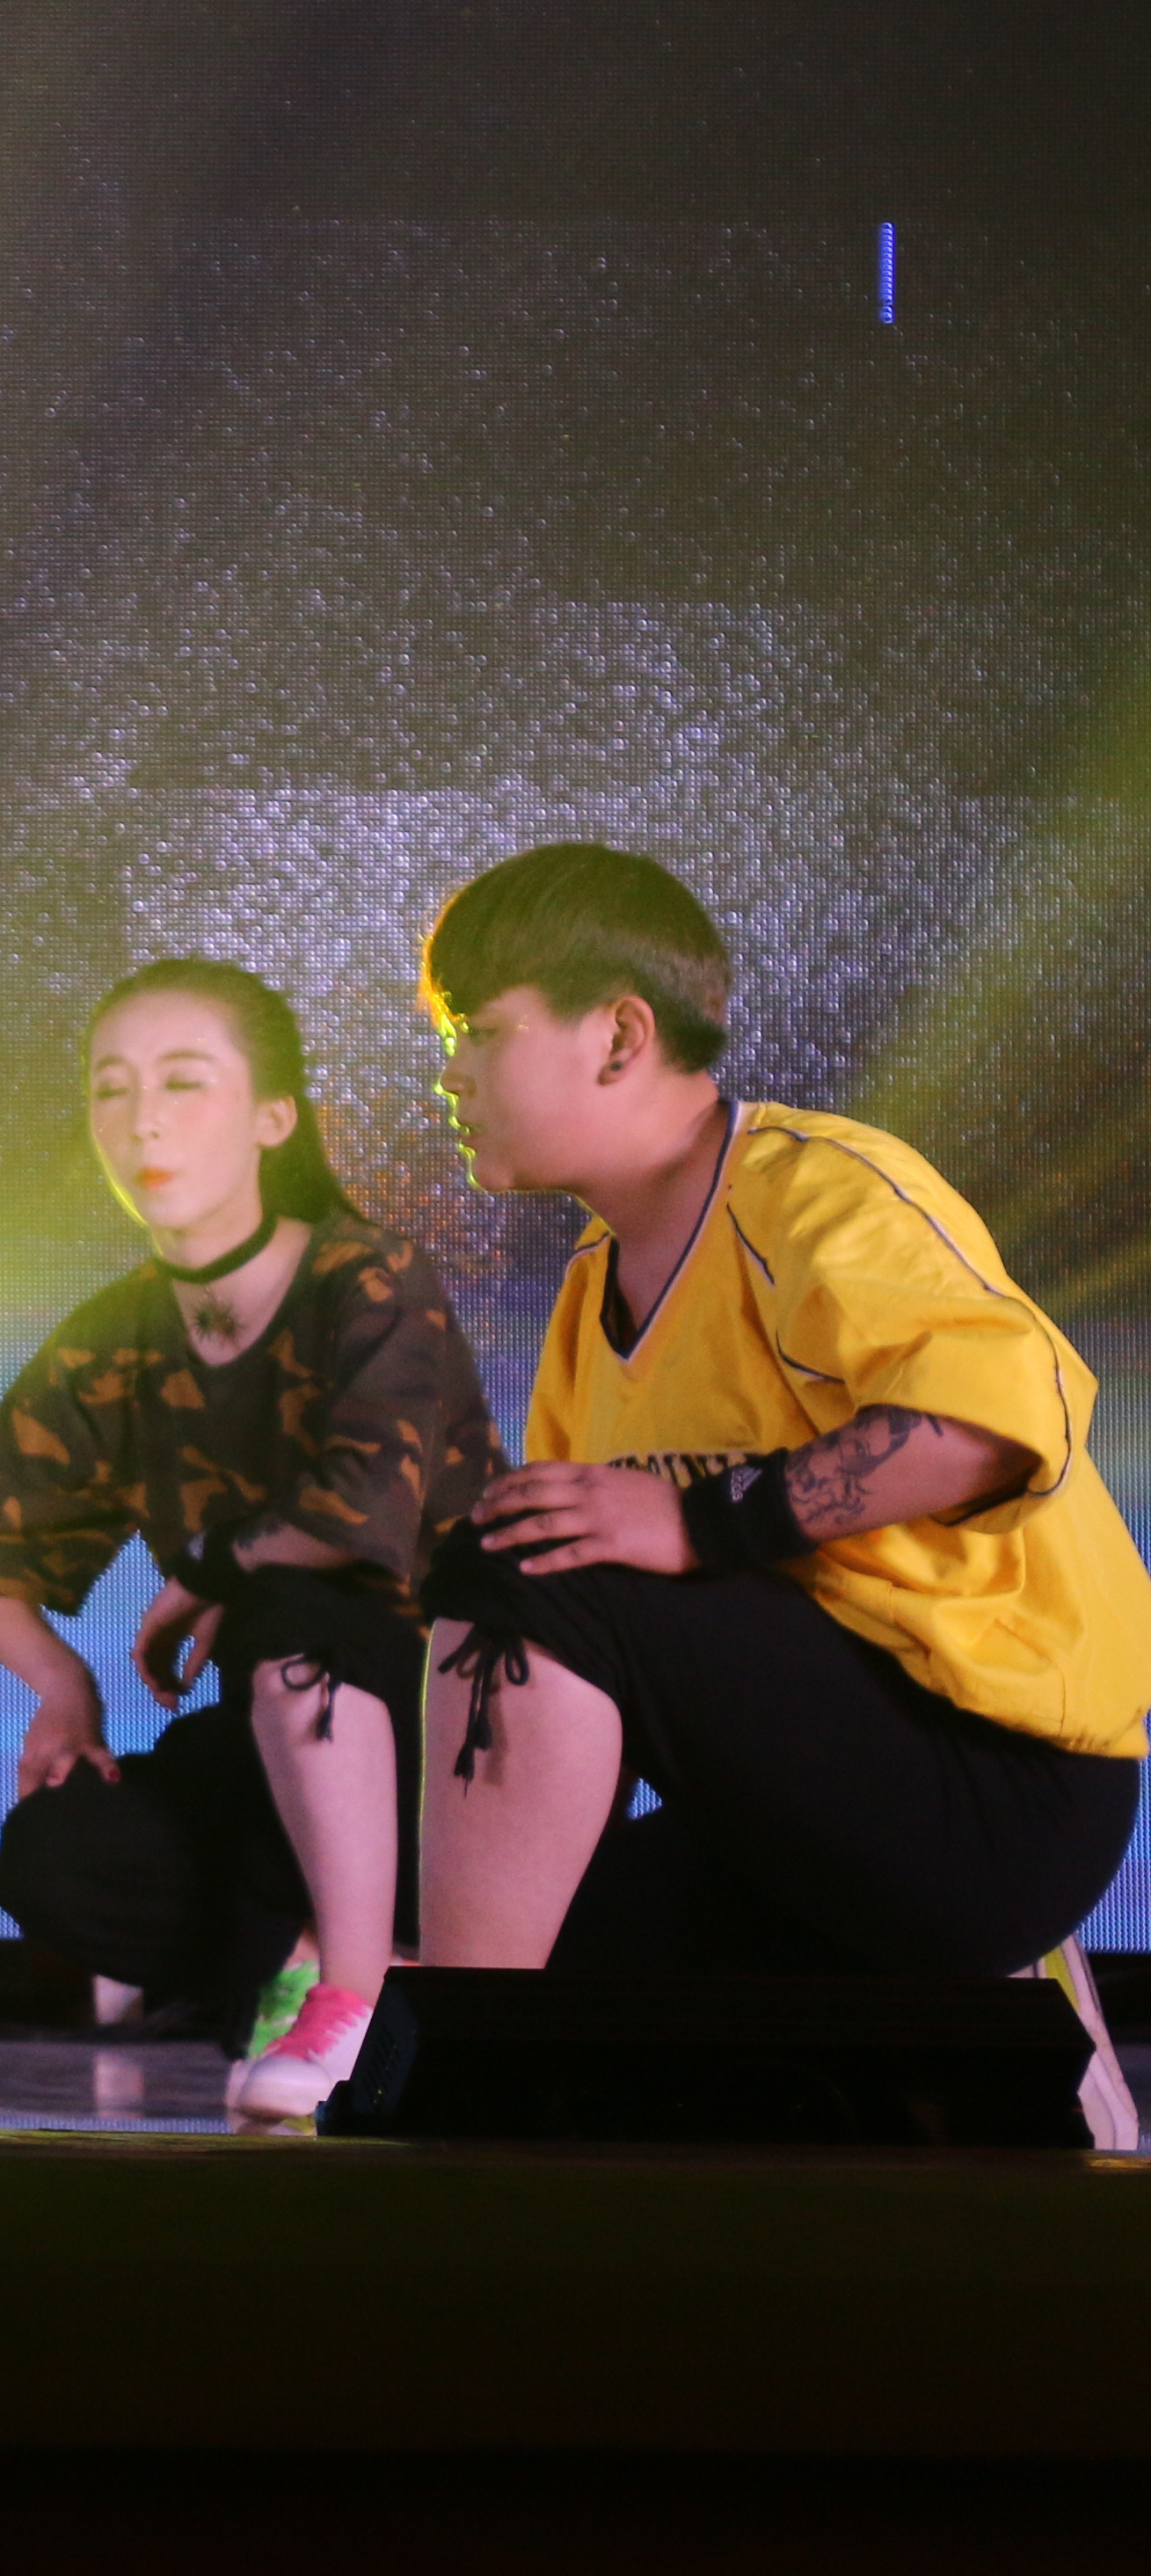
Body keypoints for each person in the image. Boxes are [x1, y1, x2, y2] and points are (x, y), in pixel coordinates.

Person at [415, 844, 1147, 2137]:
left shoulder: (814, 1187)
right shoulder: (588, 1298)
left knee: (524, 1567)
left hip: (1005, 1790)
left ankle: (454, 2090)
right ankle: (991, 2062)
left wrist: (698, 1520)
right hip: (814, 1798)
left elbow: (991, 1427)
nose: (449, 1073)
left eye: (478, 1029)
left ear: (620, 1034)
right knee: (565, 1949)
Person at [0, 959, 500, 2122]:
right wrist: (63, 1687)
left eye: (184, 1082)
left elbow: (359, 1512)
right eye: (113, 1088)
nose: (142, 1119)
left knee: (292, 1605)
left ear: (272, 1118)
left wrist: (208, 1568)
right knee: (57, 1853)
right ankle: (330, 1958)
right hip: (284, 1742)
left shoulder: (368, 1277)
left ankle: (350, 1999)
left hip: (461, 1735)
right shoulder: (113, 1338)